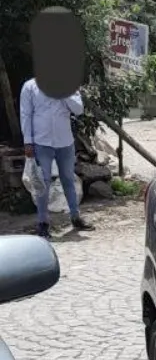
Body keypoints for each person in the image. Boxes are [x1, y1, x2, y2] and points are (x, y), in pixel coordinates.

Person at [20, 70, 91, 239]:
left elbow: (79, 109)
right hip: (41, 142)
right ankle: (43, 223)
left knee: (68, 179)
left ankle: (75, 217)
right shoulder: (30, 87)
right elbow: (26, 114)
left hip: (65, 142)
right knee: (42, 183)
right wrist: (28, 142)